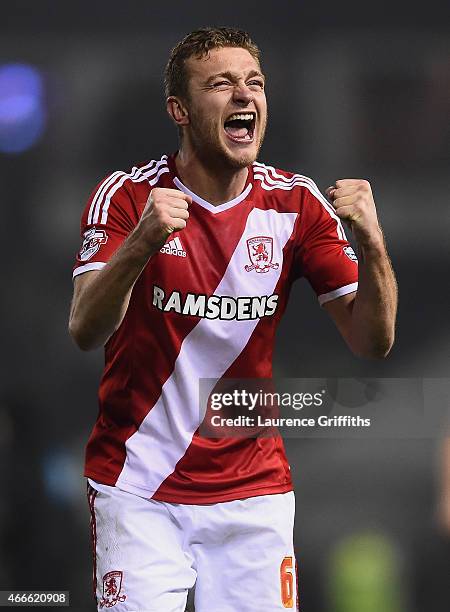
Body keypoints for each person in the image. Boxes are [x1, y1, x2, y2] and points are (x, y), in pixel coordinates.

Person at [69, 27, 397, 612]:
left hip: (253, 493)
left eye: (255, 84)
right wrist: (143, 241)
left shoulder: (295, 205)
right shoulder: (127, 198)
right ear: (181, 110)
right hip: (139, 487)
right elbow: (85, 329)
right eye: (221, 84)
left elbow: (372, 342)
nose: (244, 96)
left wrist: (372, 243)